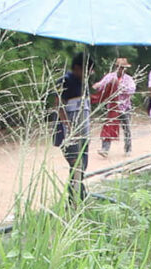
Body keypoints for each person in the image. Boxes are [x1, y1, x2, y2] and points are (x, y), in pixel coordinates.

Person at [54, 52, 94, 206]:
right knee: (76, 165)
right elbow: (58, 105)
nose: (89, 74)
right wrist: (69, 128)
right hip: (69, 133)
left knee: (82, 166)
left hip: (83, 132)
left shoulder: (83, 84)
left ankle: (78, 198)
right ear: (77, 68)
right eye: (87, 70)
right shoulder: (66, 81)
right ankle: (74, 201)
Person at [92, 57, 136, 157]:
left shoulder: (128, 79)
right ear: (116, 67)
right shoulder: (110, 77)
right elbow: (103, 85)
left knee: (127, 128)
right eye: (120, 67)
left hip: (124, 107)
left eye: (123, 68)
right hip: (112, 107)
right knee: (108, 126)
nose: (121, 69)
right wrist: (98, 86)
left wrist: (119, 87)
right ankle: (105, 149)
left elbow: (132, 89)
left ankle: (128, 149)